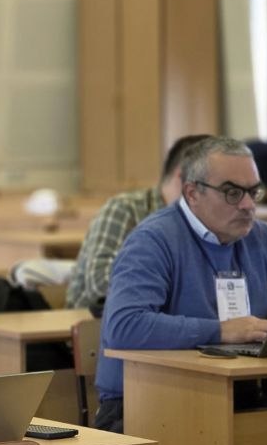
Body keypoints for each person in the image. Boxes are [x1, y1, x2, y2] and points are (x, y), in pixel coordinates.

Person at [93, 137, 267, 433]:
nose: (248, 205)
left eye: (254, 191)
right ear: (192, 193)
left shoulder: (265, 240)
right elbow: (125, 326)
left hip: (237, 393)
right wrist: (222, 331)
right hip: (145, 402)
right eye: (232, 193)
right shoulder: (153, 240)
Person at [66, 134, 212, 313]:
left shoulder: (206, 221)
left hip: (170, 323)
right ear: (185, 177)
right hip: (95, 323)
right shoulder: (125, 209)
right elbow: (100, 283)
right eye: (212, 184)